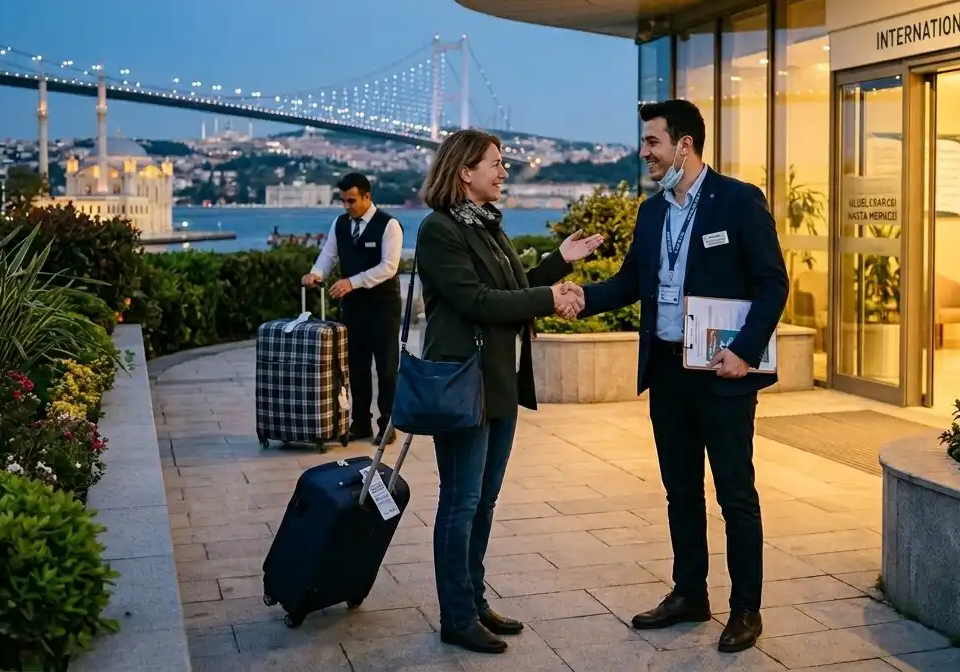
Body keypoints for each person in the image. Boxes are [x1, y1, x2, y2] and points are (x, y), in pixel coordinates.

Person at [570, 99, 788, 654]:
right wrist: (579, 298)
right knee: (680, 492)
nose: (643, 153)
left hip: (722, 375)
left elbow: (772, 283)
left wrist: (744, 350)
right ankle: (690, 593)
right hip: (667, 373)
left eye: (652, 143)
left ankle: (746, 609)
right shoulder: (651, 212)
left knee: (735, 495)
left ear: (683, 145)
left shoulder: (738, 201)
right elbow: (629, 284)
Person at [415, 128, 602, 654]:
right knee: (461, 501)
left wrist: (559, 263)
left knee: (485, 500)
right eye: (495, 164)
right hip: (463, 384)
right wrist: (550, 296)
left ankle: (473, 601)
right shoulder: (439, 230)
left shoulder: (489, 225)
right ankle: (456, 616)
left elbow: (513, 292)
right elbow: (476, 300)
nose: (504, 171)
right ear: (464, 172)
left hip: (498, 382)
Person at [301, 172, 403, 445]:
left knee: (387, 367)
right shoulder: (341, 224)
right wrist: (316, 274)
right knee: (355, 366)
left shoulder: (389, 225)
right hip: (353, 307)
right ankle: (360, 423)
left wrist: (351, 282)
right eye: (344, 201)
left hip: (383, 306)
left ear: (367, 197)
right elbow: (329, 255)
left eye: (352, 201)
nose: (347, 206)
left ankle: (388, 424)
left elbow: (388, 268)